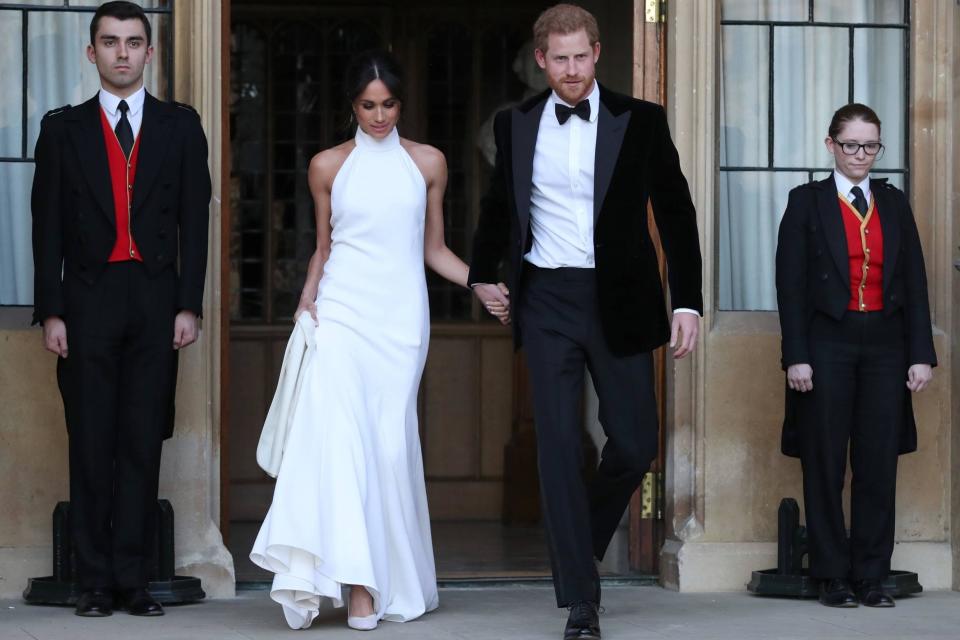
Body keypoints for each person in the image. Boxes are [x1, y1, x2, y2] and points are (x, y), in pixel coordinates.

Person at [249, 50, 508, 631]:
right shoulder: (327, 167)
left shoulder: (428, 163)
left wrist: (481, 283)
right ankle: (358, 586)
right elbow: (324, 246)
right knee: (340, 441)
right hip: (341, 313)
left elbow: (433, 249)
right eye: (368, 105)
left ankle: (387, 578)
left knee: (388, 448)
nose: (379, 115)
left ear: (401, 103)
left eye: (388, 104)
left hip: (400, 322)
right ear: (352, 105)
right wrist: (307, 299)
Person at [468, 4, 702, 639]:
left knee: (634, 444)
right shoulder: (514, 125)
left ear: (597, 53)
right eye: (558, 58)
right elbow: (497, 207)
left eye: (581, 56)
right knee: (560, 448)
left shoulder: (642, 121)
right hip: (546, 299)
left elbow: (676, 214)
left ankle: (581, 542)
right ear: (541, 61)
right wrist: (482, 272)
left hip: (621, 298)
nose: (571, 70)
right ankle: (581, 598)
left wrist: (687, 301)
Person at [31, 1, 211, 618]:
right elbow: (45, 228)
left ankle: (133, 582)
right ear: (92, 53)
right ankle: (93, 582)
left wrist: (190, 304)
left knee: (141, 440)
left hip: (157, 301)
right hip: (86, 301)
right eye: (110, 42)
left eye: (134, 42)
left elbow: (197, 220)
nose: (123, 53)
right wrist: (51, 310)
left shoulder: (181, 127)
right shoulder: (62, 129)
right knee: (90, 440)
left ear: (149, 52)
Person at [776, 104, 935, 608]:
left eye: (871, 146)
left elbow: (914, 280)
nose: (861, 155)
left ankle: (871, 573)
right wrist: (796, 355)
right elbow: (791, 286)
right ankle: (831, 574)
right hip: (827, 344)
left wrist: (920, 354)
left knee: (877, 462)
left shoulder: (893, 202)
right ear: (831, 146)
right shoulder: (806, 202)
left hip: (886, 345)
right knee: (824, 461)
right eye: (851, 145)